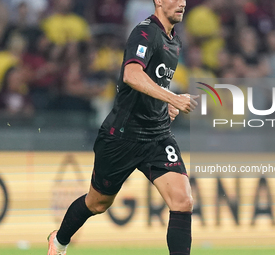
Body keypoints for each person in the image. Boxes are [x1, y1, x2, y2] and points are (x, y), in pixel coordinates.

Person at [47, 0, 198, 255]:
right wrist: (173, 99)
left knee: (182, 202)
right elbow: (131, 75)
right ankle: (59, 240)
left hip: (157, 137)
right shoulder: (146, 32)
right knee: (97, 204)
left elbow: (155, 82)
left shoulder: (174, 40)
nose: (182, 2)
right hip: (122, 136)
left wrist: (165, 106)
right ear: (159, 1)